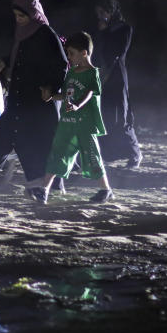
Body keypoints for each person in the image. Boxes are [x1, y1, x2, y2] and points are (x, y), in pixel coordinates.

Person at [0, 0, 67, 196]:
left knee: (24, 139)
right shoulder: (23, 33)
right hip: (19, 97)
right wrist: (3, 63)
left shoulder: (46, 33)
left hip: (35, 99)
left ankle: (41, 184)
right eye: (16, 16)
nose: (19, 20)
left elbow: (62, 64)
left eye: (22, 16)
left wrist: (51, 87)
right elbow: (19, 57)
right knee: (8, 135)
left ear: (33, 13)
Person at [36, 32, 112, 204]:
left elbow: (89, 93)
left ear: (84, 53)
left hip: (85, 125)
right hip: (67, 123)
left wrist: (77, 104)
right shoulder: (71, 73)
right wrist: (51, 96)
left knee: (92, 156)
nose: (68, 57)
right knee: (58, 153)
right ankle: (44, 190)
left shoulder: (92, 73)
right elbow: (66, 95)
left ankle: (105, 190)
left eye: (71, 53)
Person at [92, 0, 142, 168]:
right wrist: (103, 31)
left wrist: (106, 73)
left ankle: (134, 154)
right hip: (102, 75)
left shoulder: (125, 28)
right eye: (98, 13)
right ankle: (110, 154)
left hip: (117, 76)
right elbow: (98, 50)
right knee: (104, 115)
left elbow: (118, 52)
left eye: (103, 12)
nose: (100, 16)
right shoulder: (103, 28)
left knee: (122, 116)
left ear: (111, 10)